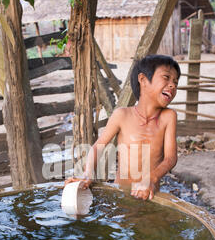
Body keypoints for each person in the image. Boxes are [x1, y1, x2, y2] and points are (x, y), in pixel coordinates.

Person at [66, 54, 181, 200]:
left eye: (175, 82)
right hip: (120, 193)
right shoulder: (122, 115)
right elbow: (97, 147)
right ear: (143, 80)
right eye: (166, 77)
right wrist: (87, 175)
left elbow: (170, 158)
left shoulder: (169, 116)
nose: (172, 85)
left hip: (150, 195)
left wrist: (151, 179)